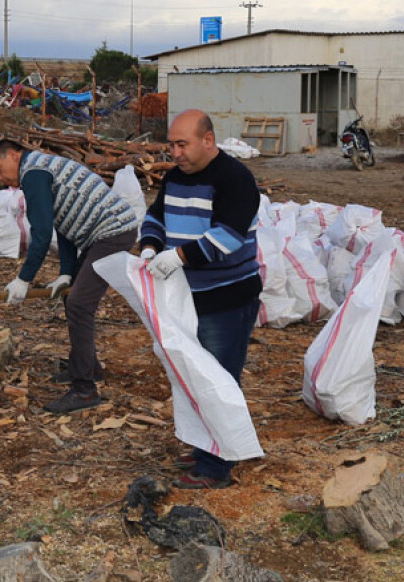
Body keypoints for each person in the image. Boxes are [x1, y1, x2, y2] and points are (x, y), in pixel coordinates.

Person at [138, 109, 262, 489]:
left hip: (227, 299)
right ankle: (205, 445)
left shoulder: (235, 179)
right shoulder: (176, 178)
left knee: (219, 379)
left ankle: (216, 466)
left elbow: (228, 237)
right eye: (171, 145)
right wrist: (150, 245)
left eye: (182, 144)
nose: (175, 153)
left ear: (208, 141)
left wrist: (176, 257)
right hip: (188, 297)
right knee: (193, 374)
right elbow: (157, 215)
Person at [0, 139, 140, 414]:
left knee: (80, 304)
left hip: (113, 232)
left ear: (13, 155)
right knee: (73, 299)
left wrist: (24, 278)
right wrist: (67, 273)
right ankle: (88, 367)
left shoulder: (33, 172)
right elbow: (63, 225)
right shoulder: (41, 168)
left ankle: (84, 390)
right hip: (103, 234)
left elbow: (42, 233)